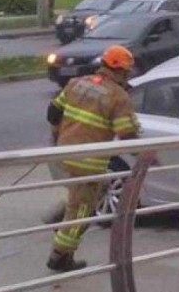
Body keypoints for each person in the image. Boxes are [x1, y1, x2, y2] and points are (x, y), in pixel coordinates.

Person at [44, 45, 140, 272]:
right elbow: (127, 134)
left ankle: (60, 218)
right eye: (127, 73)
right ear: (122, 72)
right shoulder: (118, 97)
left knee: (90, 192)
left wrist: (58, 135)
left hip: (65, 152)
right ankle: (60, 256)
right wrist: (147, 154)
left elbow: (53, 112)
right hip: (88, 161)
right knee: (83, 211)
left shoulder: (77, 83)